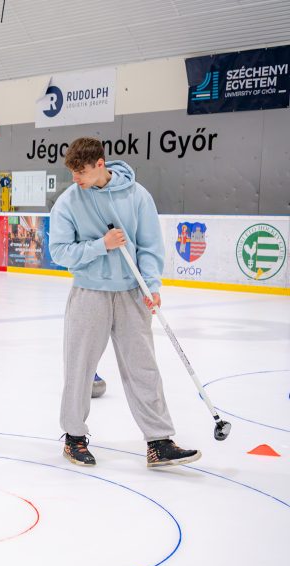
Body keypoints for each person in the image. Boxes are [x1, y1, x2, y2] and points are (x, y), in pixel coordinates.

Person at [49, 136, 200, 469]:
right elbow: (59, 252)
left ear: (100, 165)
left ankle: (159, 442)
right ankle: (74, 437)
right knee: (80, 368)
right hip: (89, 293)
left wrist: (151, 285)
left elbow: (149, 246)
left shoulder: (137, 196)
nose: (76, 180)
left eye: (82, 173)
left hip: (132, 292)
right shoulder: (69, 201)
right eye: (73, 174)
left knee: (143, 367)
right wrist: (100, 245)